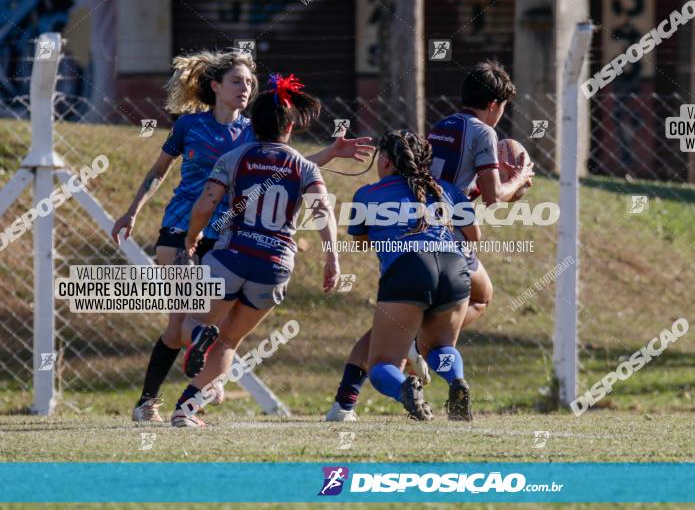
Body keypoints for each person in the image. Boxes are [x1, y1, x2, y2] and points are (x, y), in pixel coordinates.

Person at [111, 51, 369, 422]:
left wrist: (330, 153)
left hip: (225, 238)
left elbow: (283, 164)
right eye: (237, 81)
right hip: (180, 231)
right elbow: (158, 171)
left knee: (201, 327)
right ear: (215, 86)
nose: (245, 88)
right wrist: (133, 210)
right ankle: (149, 402)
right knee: (179, 326)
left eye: (250, 83)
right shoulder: (188, 126)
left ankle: (197, 384)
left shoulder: (251, 131)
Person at [326, 60, 531, 421]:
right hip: (449, 240)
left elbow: (360, 238)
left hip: (418, 246)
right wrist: (520, 180)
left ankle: (349, 397)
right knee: (474, 300)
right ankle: (435, 365)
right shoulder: (483, 133)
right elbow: (493, 196)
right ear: (496, 105)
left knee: (395, 330)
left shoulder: (440, 127)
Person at [169, 74, 340, 427]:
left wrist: (192, 236)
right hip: (275, 265)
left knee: (189, 323)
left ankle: (199, 338)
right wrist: (332, 258)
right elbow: (323, 211)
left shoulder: (236, 157)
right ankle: (186, 411)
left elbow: (207, 201)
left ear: (254, 124)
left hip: (231, 256)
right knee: (229, 341)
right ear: (290, 128)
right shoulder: (304, 166)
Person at [349, 129, 479, 420]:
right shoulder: (445, 188)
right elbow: (474, 235)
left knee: (381, 363)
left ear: (384, 159)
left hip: (407, 268)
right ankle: (456, 380)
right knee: (440, 347)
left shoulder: (367, 194)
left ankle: (406, 390)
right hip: (454, 268)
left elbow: (360, 242)